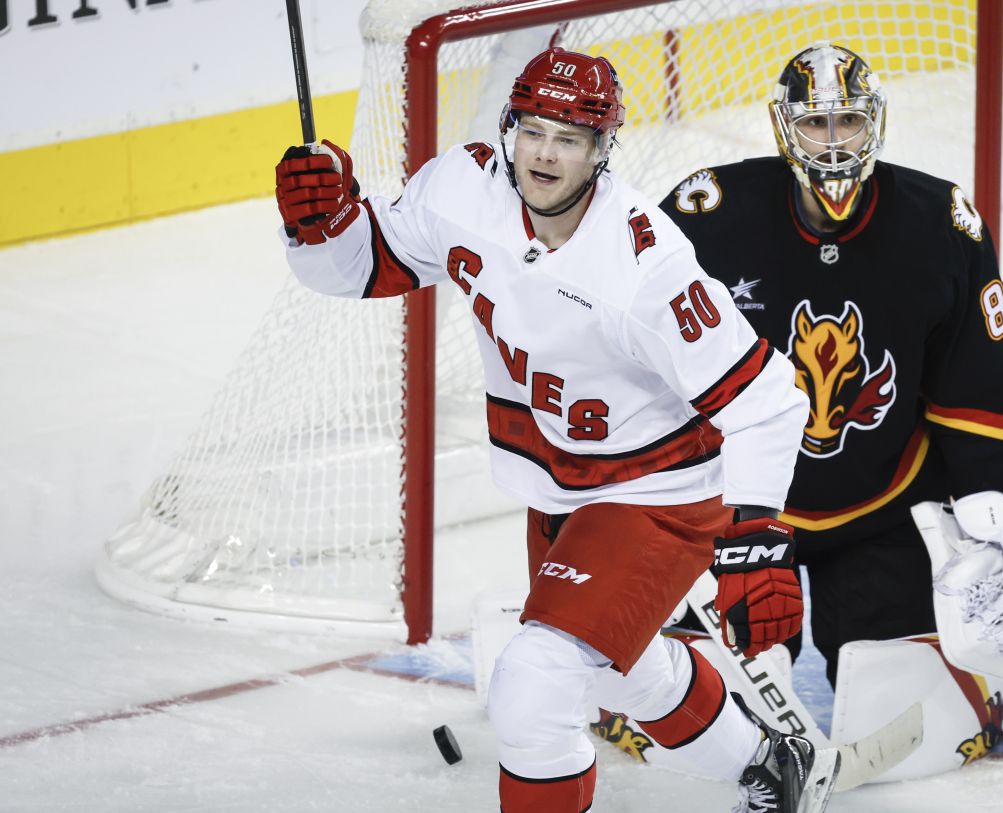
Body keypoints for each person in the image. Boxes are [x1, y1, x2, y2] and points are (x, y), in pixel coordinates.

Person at [275, 47, 840, 813]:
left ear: (602, 150)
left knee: (532, 689)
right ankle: (772, 767)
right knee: (616, 670)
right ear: (509, 127)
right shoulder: (462, 190)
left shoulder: (644, 268)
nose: (545, 153)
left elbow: (768, 399)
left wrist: (755, 533)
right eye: (534, 130)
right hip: (562, 486)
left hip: (658, 492)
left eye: (570, 138)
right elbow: (361, 265)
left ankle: (768, 766)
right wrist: (320, 224)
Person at [662, 41, 1003, 692]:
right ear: (785, 126)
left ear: (876, 122)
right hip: (741, 515)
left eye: (850, 122)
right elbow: (650, 376)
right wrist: (660, 522)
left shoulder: (940, 225)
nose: (834, 143)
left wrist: (995, 509)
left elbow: (982, 373)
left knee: (903, 695)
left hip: (882, 507)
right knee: (708, 694)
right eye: (815, 123)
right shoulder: (706, 220)